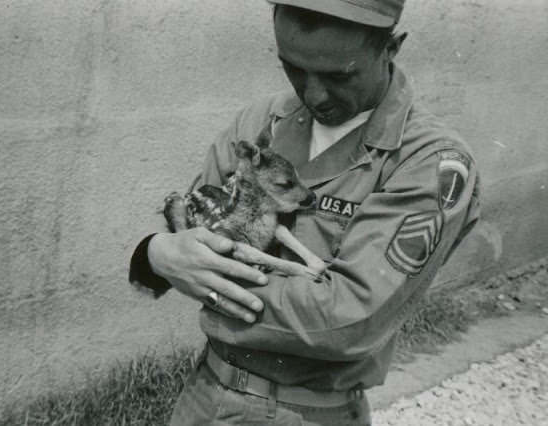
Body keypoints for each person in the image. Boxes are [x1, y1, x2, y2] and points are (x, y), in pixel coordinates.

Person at [129, 1, 481, 424]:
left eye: (339, 75)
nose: (312, 95)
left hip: (307, 413)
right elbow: (189, 230)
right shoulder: (262, 122)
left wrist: (201, 282)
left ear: (391, 48)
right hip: (203, 396)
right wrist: (153, 254)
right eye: (292, 67)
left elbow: (346, 319)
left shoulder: (428, 161)